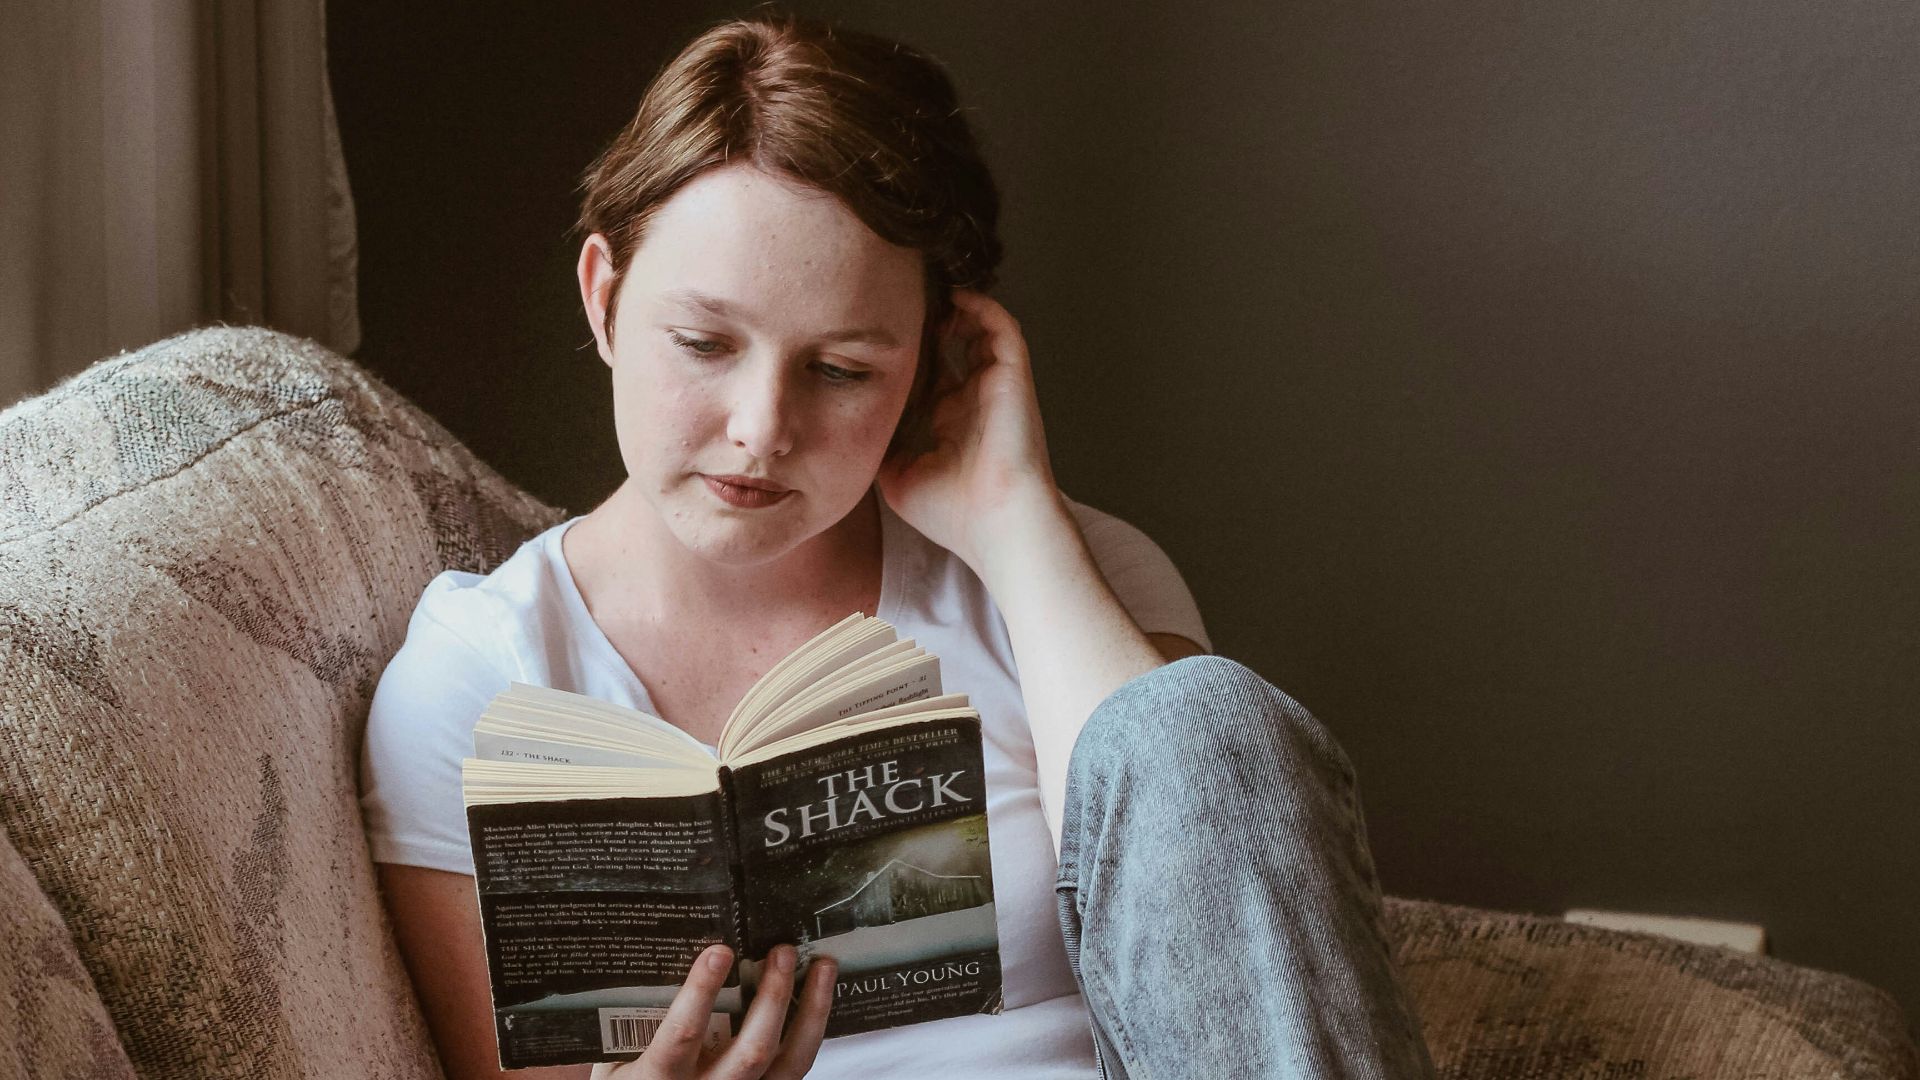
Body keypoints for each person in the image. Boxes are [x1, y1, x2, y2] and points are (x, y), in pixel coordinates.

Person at [359, 9, 1437, 1079]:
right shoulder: (480, 677)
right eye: (703, 343)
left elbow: (1211, 959)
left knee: (1195, 716)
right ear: (603, 297)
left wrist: (1019, 527)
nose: (761, 428)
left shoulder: (1069, 578)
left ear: (931, 356)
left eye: (842, 370)